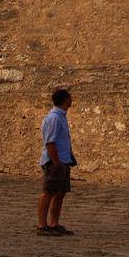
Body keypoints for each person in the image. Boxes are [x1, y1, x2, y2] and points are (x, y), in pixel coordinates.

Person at [37, 86, 76, 236]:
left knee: (60, 193)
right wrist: (57, 163)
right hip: (55, 162)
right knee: (48, 192)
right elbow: (50, 142)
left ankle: (54, 223)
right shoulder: (54, 118)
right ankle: (42, 225)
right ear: (65, 100)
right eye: (70, 97)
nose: (71, 99)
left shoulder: (61, 116)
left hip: (63, 161)